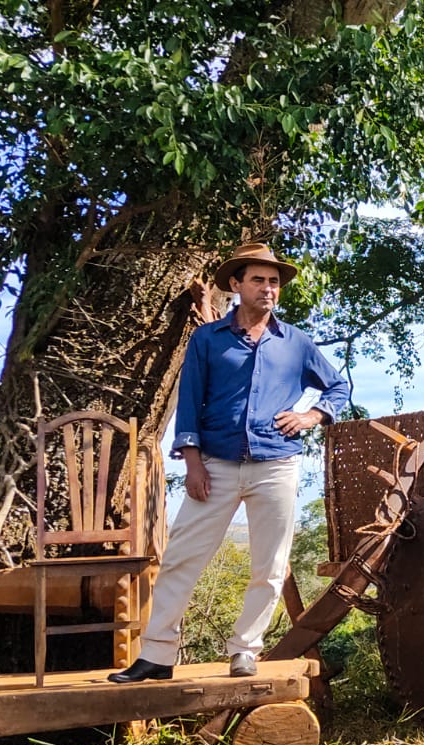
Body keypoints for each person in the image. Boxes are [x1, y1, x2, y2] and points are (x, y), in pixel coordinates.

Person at [110, 244, 350, 683]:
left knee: (270, 565)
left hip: (277, 464)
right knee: (182, 558)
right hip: (215, 466)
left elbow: (338, 387)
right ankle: (157, 655)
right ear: (236, 286)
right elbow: (189, 405)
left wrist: (311, 415)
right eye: (258, 280)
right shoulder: (207, 340)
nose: (268, 288)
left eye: (274, 281)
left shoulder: (295, 343)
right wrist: (194, 464)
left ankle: (245, 651)